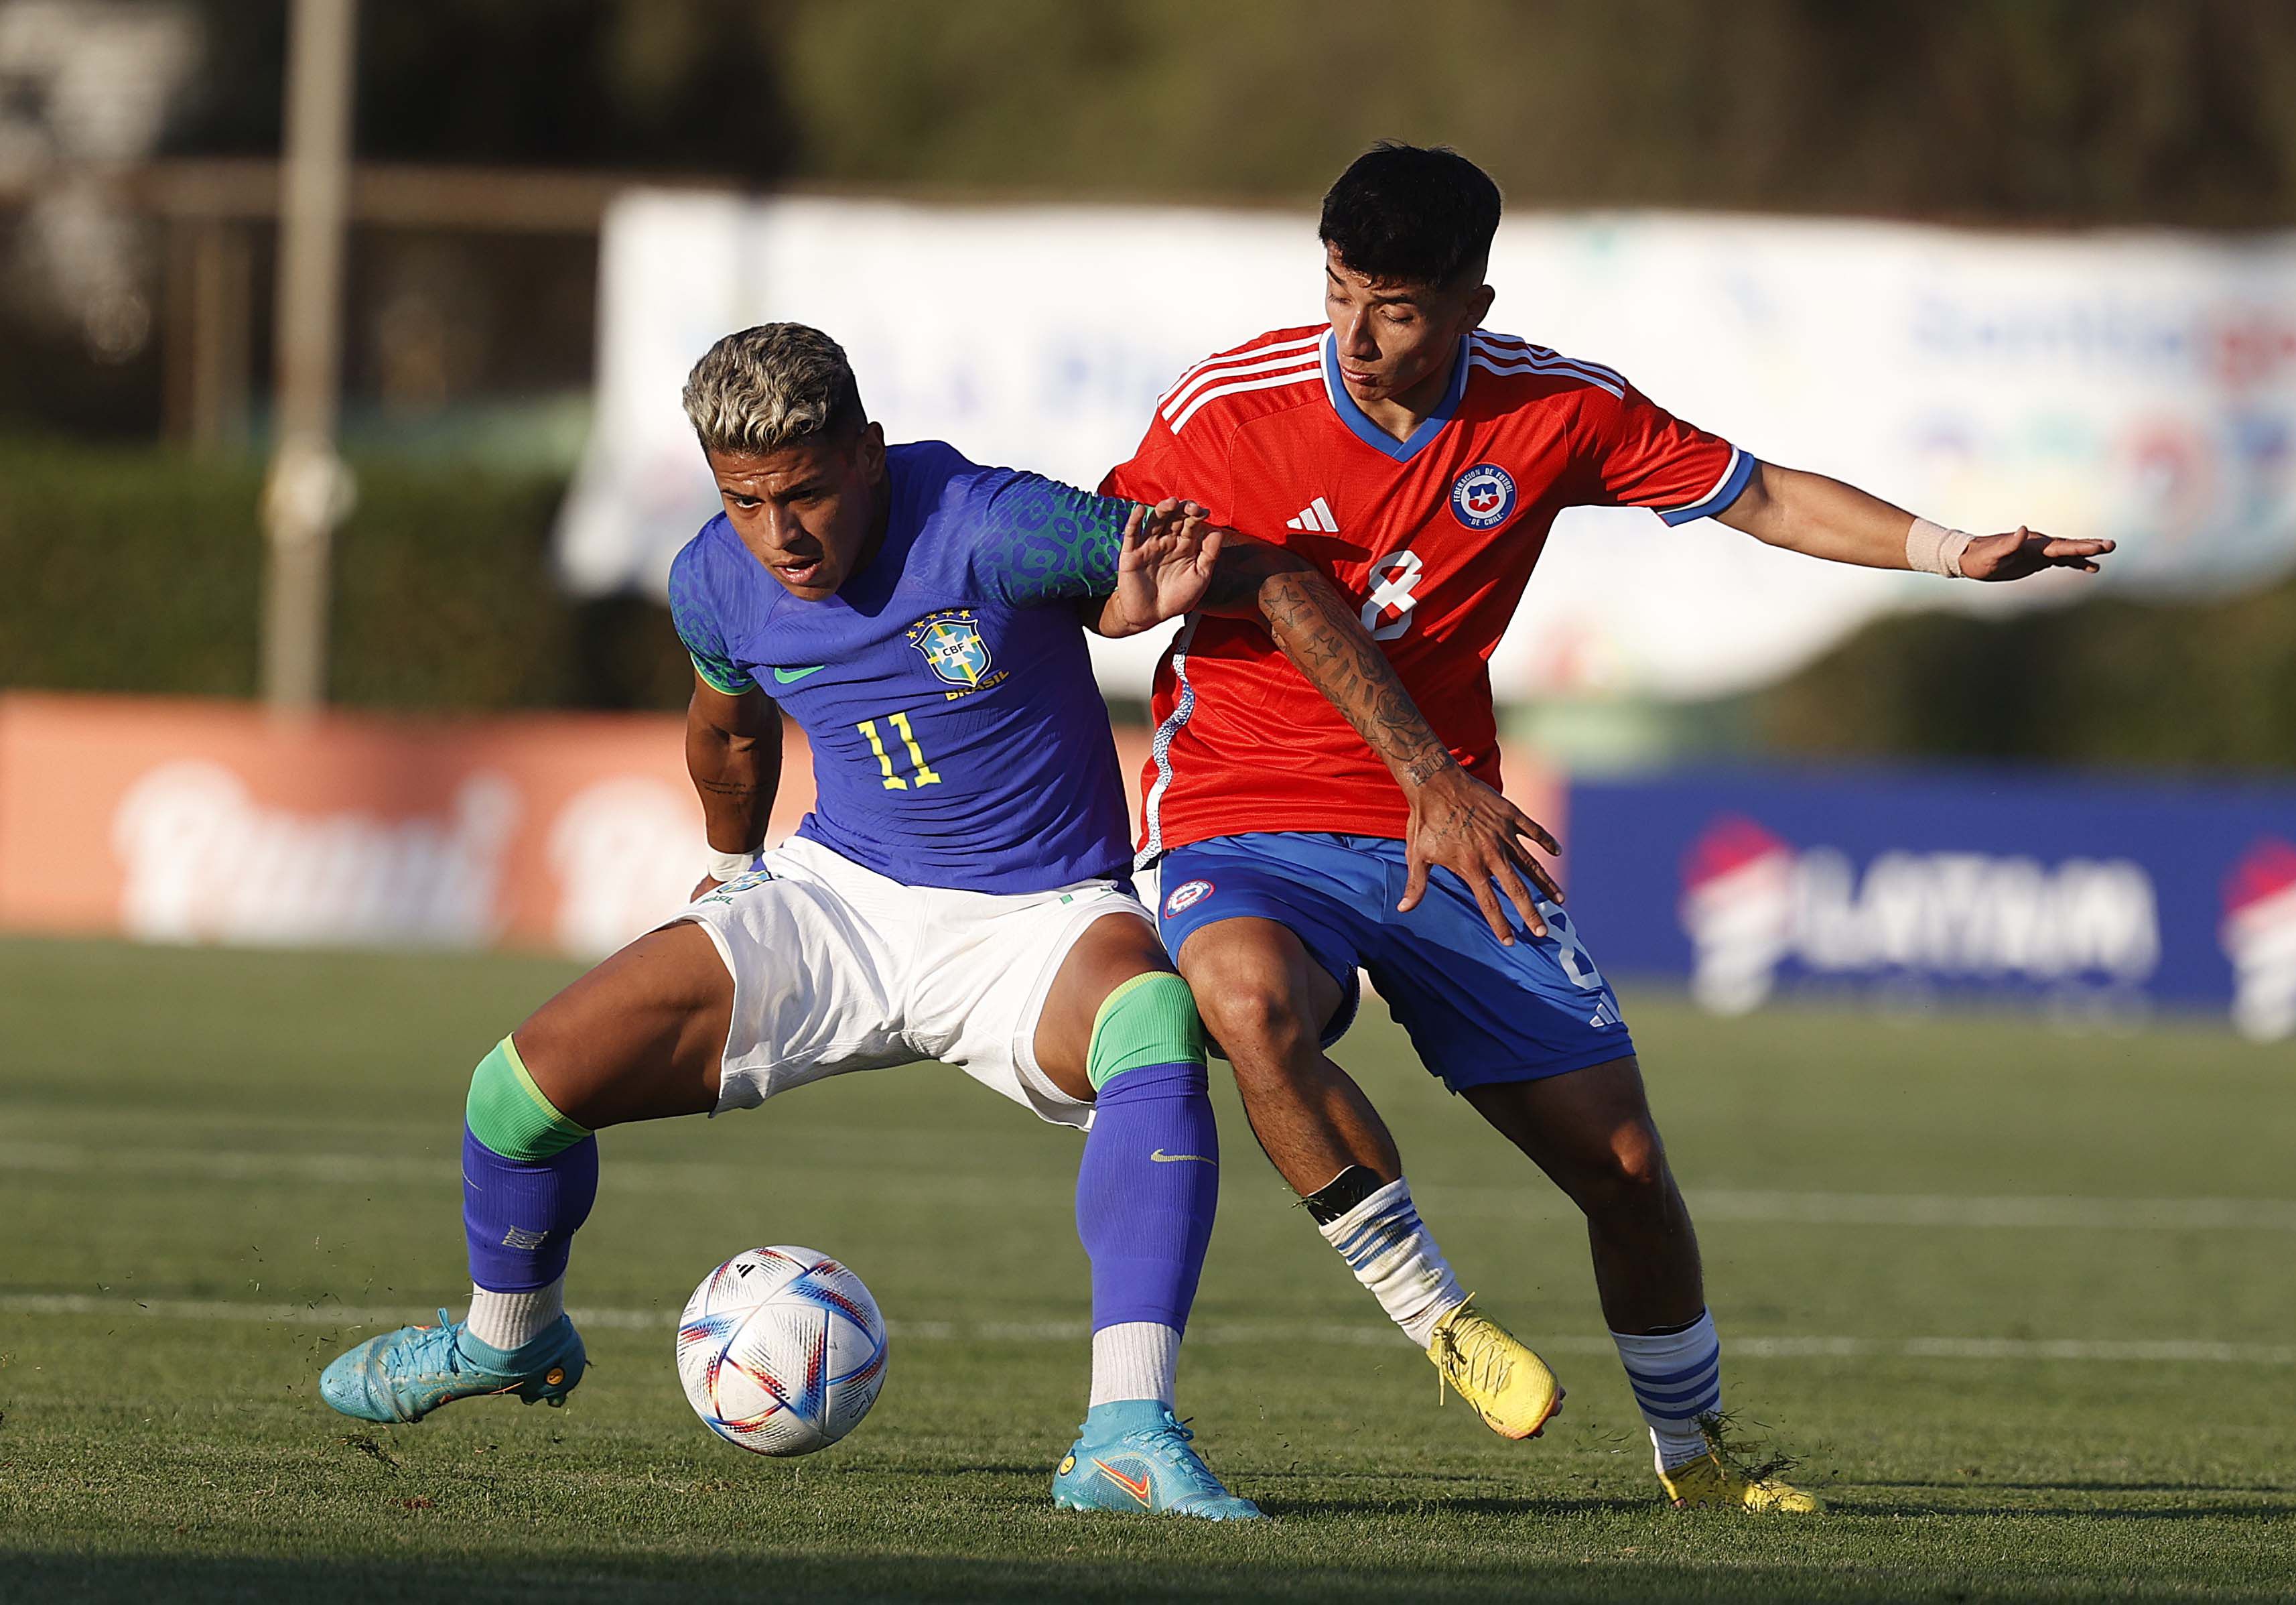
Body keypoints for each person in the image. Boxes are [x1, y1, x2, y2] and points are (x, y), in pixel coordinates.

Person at [1102, 142, 2114, 1512]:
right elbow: (1107, 574)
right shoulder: (1227, 409)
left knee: (1623, 1165)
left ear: (1471, 300)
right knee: (1243, 1002)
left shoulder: (1553, 408)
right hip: (1242, 805)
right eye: (1337, 291)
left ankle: (1692, 1458)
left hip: (1449, 824)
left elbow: (1754, 491)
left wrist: (1949, 551)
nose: (1354, 336)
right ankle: (1439, 1321)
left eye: (1393, 308)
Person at [315, 322, 1456, 1521]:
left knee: (1155, 1021)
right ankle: (512, 1337)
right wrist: (729, 867)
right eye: (746, 501)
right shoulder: (712, 574)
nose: (780, 535)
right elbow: (728, 731)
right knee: (515, 1095)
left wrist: (1126, 605)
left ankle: (1125, 1434)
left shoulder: (990, 519)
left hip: (1040, 919)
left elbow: (1186, 571)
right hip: (840, 900)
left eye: (803, 493)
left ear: (866, 452)